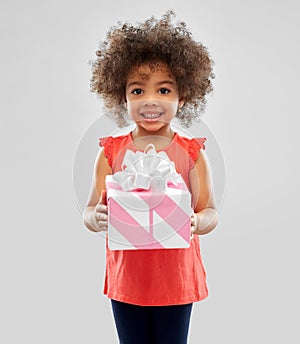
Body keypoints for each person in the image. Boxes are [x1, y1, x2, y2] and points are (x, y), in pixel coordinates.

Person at [83, 11, 218, 344]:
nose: (151, 100)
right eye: (138, 91)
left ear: (182, 97)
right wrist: (95, 217)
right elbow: (89, 210)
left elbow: (210, 211)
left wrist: (196, 223)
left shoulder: (192, 153)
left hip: (175, 277)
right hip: (128, 278)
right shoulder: (111, 151)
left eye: (164, 89)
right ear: (123, 97)